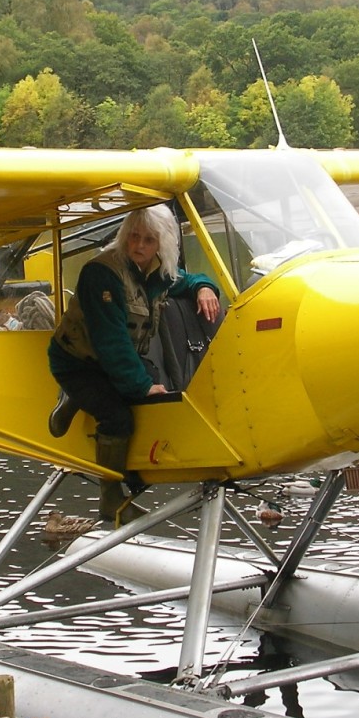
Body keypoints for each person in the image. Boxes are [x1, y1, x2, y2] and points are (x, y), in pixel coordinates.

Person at [47, 204, 220, 524]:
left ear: (162, 244)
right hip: (78, 362)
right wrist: (141, 387)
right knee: (117, 417)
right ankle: (110, 498)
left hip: (119, 358)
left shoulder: (154, 270)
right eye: (134, 237)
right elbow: (111, 344)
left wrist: (204, 287)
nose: (139, 246)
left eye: (149, 240)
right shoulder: (101, 274)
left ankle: (130, 471)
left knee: (159, 396)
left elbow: (185, 279)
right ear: (125, 236)